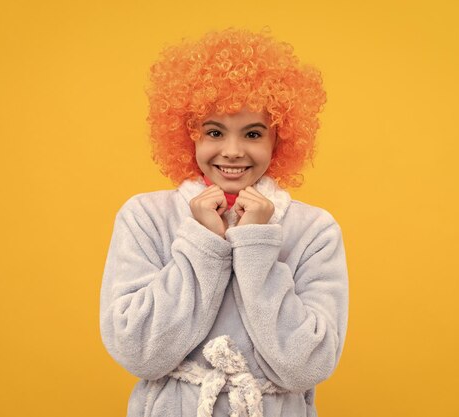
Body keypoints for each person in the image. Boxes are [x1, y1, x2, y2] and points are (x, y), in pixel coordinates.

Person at [99, 28, 349, 417]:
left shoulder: (314, 230)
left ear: (279, 140)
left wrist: (256, 245)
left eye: (253, 133)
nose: (232, 152)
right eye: (214, 131)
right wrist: (202, 242)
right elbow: (138, 352)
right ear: (189, 136)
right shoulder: (145, 217)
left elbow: (307, 366)